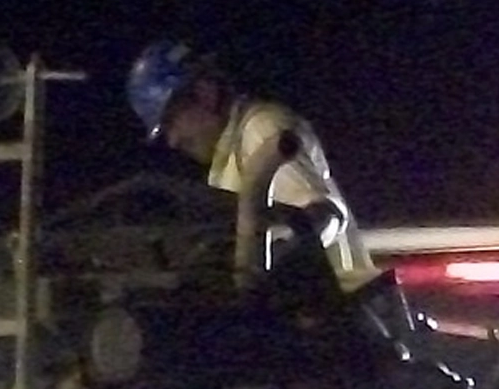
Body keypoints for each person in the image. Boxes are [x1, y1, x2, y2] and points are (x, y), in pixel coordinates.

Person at [127, 40, 376, 278]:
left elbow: (324, 216)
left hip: (334, 310)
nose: (173, 141)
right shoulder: (230, 155)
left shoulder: (262, 131)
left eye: (172, 121)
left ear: (205, 95)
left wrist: (272, 262)